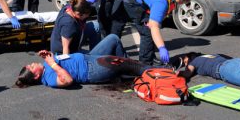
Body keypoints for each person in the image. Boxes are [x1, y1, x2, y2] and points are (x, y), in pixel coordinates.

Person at [14, 34, 160, 88]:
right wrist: (53, 63)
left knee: (113, 39)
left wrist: (49, 56)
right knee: (127, 64)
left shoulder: (46, 65)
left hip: (89, 57)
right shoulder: (49, 79)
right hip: (91, 70)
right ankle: (160, 74)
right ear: (36, 76)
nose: (32, 63)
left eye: (30, 64)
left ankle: (128, 70)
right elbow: (67, 80)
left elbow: (61, 60)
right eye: (32, 67)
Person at [123, 0, 200, 65]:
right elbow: (153, 26)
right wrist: (161, 48)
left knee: (151, 28)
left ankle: (151, 57)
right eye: (186, 2)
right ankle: (145, 63)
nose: (185, 4)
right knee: (147, 32)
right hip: (132, 1)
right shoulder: (160, 2)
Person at [171, 52, 240, 88]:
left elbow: (187, 73)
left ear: (188, 58)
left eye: (185, 62)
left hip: (225, 69)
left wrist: (178, 73)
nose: (185, 64)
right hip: (237, 61)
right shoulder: (210, 55)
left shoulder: (193, 62)